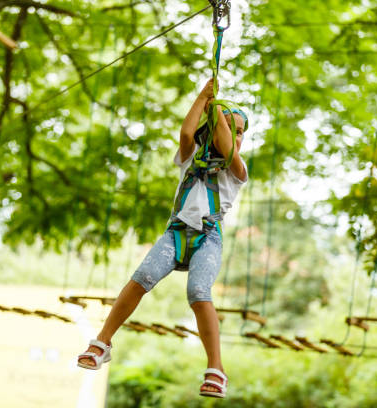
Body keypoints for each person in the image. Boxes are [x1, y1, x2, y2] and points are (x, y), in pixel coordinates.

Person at [77, 78, 248, 399]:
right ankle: (102, 342)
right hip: (176, 234)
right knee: (141, 277)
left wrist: (218, 115)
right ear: (209, 130)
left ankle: (216, 367)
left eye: (241, 132)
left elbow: (226, 147)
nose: (236, 136)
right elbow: (186, 133)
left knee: (199, 293)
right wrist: (203, 99)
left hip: (207, 239)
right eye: (231, 128)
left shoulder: (236, 170)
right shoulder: (190, 158)